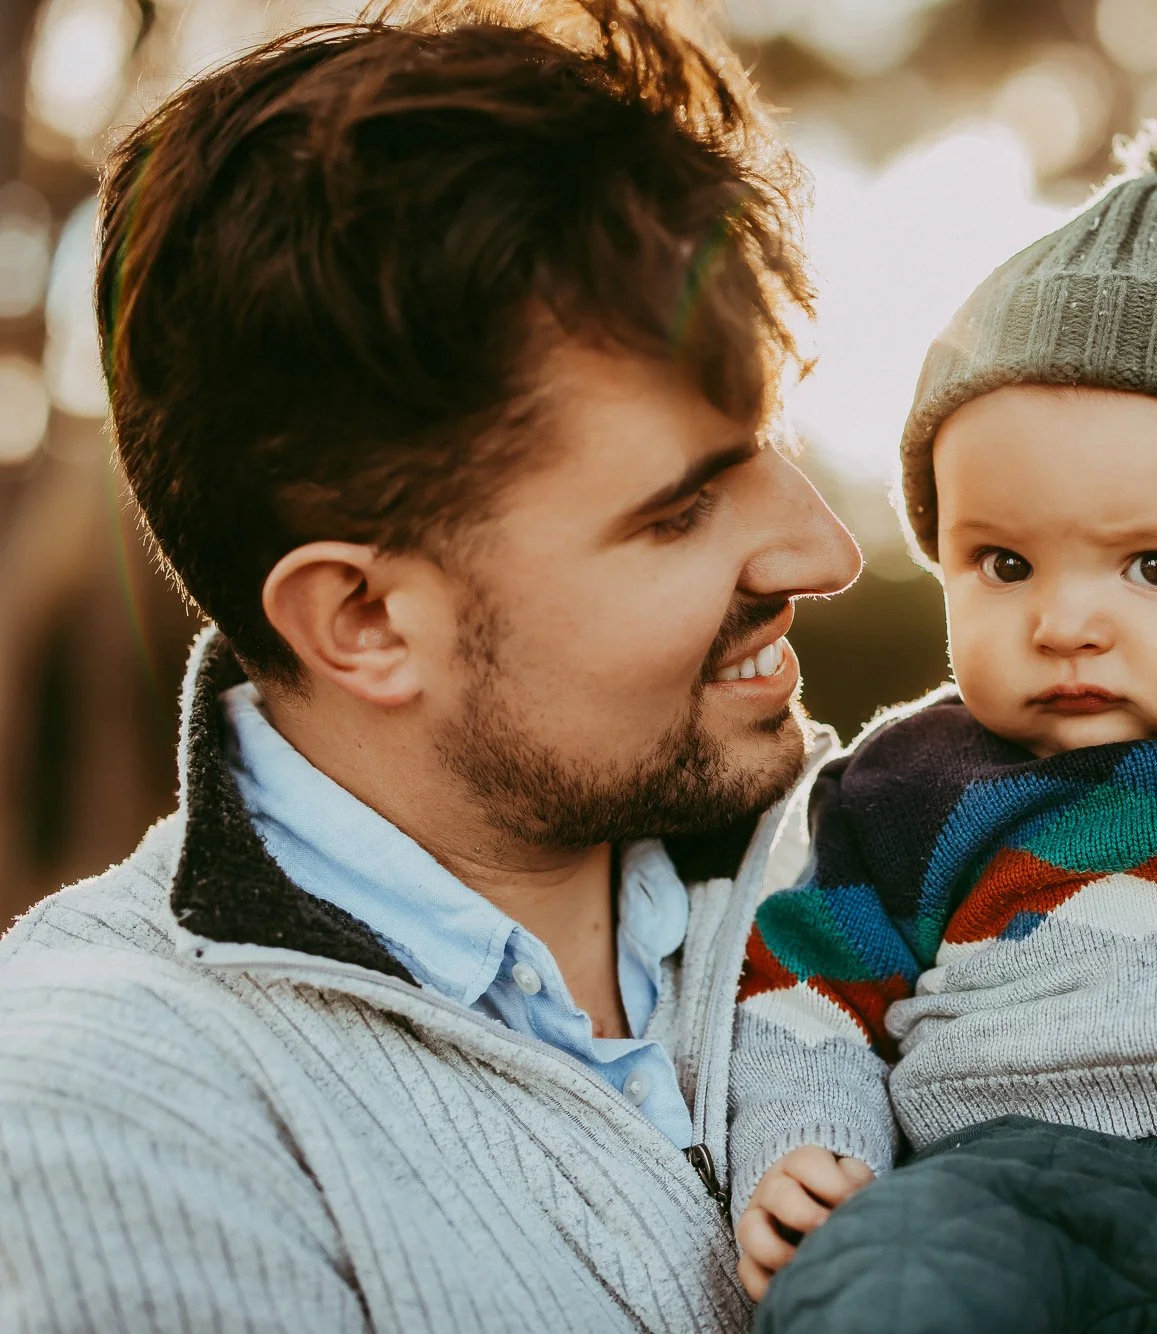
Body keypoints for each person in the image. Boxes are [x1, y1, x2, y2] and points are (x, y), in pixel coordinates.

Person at [0, 1, 868, 1326]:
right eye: (682, 509)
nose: (826, 549)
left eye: (776, 436)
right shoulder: (107, 1104)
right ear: (363, 621)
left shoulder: (906, 841)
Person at [724, 85, 1157, 1333]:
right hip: (997, 1196)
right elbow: (805, 987)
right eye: (1004, 563)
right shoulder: (916, 780)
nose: (1065, 622)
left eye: (1151, 566)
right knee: (882, 1283)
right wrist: (803, 1152)